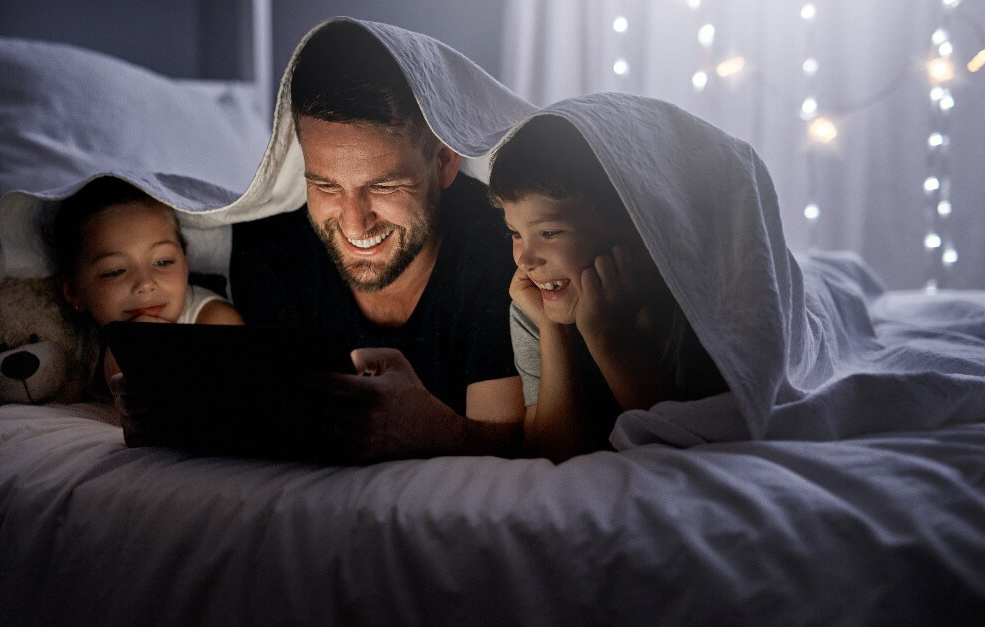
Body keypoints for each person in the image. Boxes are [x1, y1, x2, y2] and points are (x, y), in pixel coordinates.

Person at [222, 22, 525, 461]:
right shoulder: (272, 250)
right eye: (325, 185)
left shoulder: (502, 248)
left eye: (384, 187)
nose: (354, 223)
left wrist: (428, 429)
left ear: (444, 162)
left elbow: (514, 453)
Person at [489, 115, 728, 461]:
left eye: (550, 233)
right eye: (515, 233)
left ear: (632, 224)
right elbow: (554, 457)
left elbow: (695, 453)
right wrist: (554, 330)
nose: (525, 259)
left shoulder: (692, 306)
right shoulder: (534, 306)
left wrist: (607, 334)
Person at [48, 177, 243, 389]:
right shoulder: (62, 337)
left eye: (163, 262)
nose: (145, 283)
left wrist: (142, 344)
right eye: (115, 272)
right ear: (72, 291)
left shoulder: (216, 322)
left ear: (186, 263)